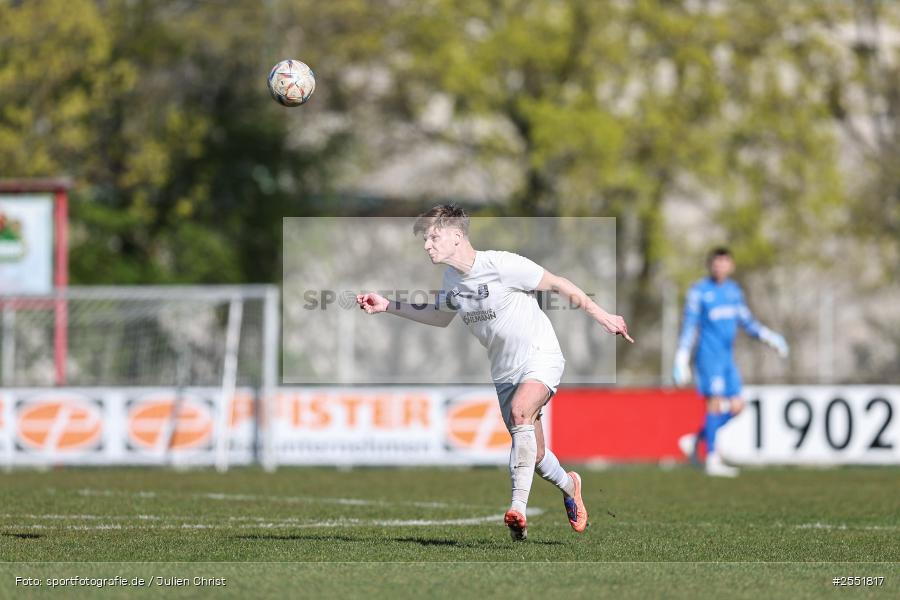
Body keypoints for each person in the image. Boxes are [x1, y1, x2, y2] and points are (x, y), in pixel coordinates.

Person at [356, 204, 633, 540]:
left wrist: (602, 315)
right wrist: (388, 306)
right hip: (504, 372)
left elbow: (558, 283)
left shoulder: (501, 264)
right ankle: (570, 485)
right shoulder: (451, 280)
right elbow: (439, 317)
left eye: (433, 236)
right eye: (425, 239)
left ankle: (517, 508)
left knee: (520, 413)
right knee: (537, 454)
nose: (427, 245)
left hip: (540, 355)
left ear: (457, 236)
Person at [673, 247, 789, 477]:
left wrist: (770, 337)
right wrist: (681, 357)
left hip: (727, 359)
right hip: (708, 357)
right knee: (714, 404)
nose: (720, 267)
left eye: (724, 262)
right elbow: (689, 326)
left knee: (738, 406)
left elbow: (747, 321)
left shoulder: (734, 292)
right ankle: (713, 458)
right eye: (716, 263)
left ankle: (698, 439)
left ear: (731, 266)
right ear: (710, 265)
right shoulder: (699, 292)